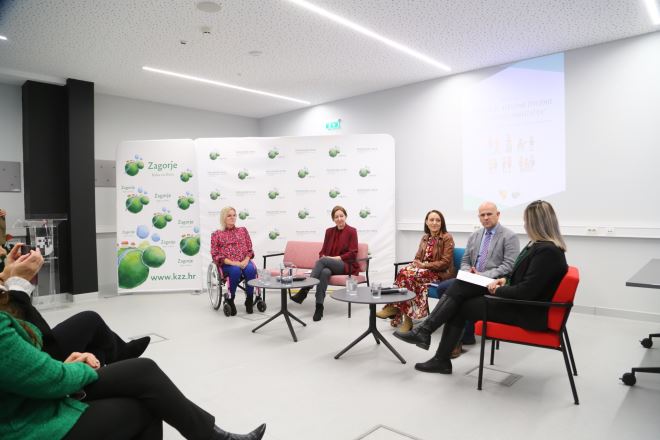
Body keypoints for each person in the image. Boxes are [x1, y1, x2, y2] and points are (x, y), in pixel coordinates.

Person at [0, 250, 267, 440]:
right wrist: (17, 286)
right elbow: (47, 365)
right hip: (26, 418)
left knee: (143, 370)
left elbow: (32, 350)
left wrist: (10, 283)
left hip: (30, 395)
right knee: (147, 405)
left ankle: (213, 436)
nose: (4, 254)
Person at [394, 200, 568, 374]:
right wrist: (502, 282)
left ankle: (430, 341)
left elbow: (526, 291)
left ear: (537, 223)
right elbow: (525, 281)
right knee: (461, 293)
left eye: (527, 221)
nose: (525, 225)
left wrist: (498, 288)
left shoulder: (547, 251)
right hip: (519, 302)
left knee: (460, 296)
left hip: (527, 311)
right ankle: (435, 350)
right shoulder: (541, 247)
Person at [0, 242, 150, 365]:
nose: (2, 251)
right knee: (91, 322)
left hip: (26, 343)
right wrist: (18, 282)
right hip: (36, 352)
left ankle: (116, 357)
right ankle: (120, 355)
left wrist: (6, 275)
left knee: (96, 348)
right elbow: (36, 331)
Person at [433, 202, 519, 357]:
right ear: (479, 217)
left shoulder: (509, 236)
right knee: (442, 288)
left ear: (498, 214)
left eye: (489, 214)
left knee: (458, 294)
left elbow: (508, 266)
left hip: (492, 282)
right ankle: (464, 333)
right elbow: (465, 260)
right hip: (471, 279)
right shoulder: (474, 235)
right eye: (482, 215)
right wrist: (468, 273)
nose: (485, 218)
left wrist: (482, 276)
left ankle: (458, 338)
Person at [376, 210, 455, 332]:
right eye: (431, 220)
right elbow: (418, 257)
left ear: (442, 223)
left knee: (408, 276)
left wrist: (424, 265)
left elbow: (445, 263)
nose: (434, 223)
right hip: (423, 272)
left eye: (438, 220)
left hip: (439, 273)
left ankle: (398, 312)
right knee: (404, 272)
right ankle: (403, 315)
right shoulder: (425, 238)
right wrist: (415, 263)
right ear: (426, 222)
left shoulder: (447, 237)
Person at [290, 205, 359, 322]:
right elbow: (323, 251)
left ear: (345, 216)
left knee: (323, 261)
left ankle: (304, 290)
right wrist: (324, 256)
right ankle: (319, 307)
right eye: (336, 217)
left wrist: (334, 258)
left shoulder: (352, 231)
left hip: (345, 264)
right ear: (333, 219)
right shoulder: (329, 232)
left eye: (341, 216)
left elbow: (353, 253)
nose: (339, 219)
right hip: (329, 265)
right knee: (324, 272)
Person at [210, 206, 258, 315]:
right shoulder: (216, 234)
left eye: (234, 215)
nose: (232, 217)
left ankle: (249, 299)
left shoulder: (242, 230)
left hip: (244, 260)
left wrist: (246, 260)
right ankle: (230, 299)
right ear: (223, 218)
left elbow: (249, 249)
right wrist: (233, 263)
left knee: (250, 269)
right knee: (235, 270)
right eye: (229, 216)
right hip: (228, 264)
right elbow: (215, 254)